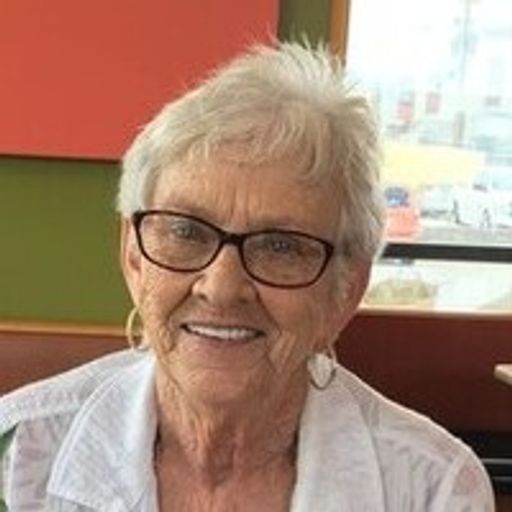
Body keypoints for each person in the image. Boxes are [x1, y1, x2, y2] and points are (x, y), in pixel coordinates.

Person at [0, 42, 494, 511]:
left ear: (346, 289)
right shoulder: (17, 453)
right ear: (133, 257)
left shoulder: (433, 490)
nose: (220, 287)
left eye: (280, 246)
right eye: (186, 231)